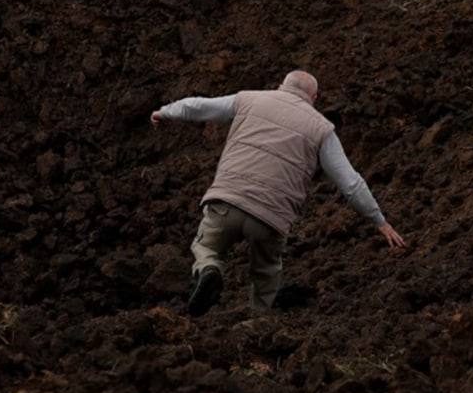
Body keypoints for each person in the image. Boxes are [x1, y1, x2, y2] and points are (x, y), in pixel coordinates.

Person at [152, 70, 406, 316]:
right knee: (266, 271)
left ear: (282, 85)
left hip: (227, 201)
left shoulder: (249, 99)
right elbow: (350, 182)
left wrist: (166, 112)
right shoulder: (322, 129)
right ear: (314, 98)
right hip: (270, 219)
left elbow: (199, 106)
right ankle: (256, 323)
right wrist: (379, 221)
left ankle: (209, 268)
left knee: (206, 245)